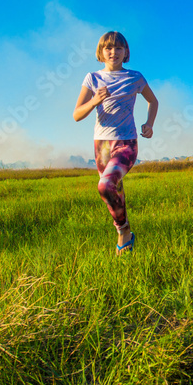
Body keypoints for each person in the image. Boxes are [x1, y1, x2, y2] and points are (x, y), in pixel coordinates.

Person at [73, 31, 158, 255]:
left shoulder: (135, 77)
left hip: (126, 141)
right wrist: (94, 100)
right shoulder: (92, 78)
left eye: (119, 48)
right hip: (101, 145)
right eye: (108, 48)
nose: (114, 52)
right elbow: (76, 115)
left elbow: (153, 101)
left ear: (126, 52)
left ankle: (123, 230)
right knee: (115, 190)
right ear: (100, 53)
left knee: (105, 185)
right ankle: (127, 236)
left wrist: (149, 123)